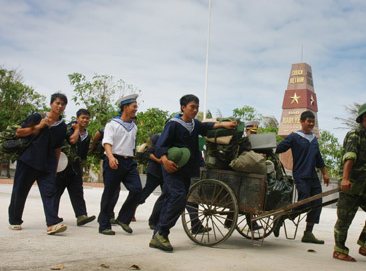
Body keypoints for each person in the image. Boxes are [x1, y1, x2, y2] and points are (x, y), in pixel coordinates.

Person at [149, 94, 237, 252]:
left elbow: (208, 127)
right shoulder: (173, 124)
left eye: (197, 107)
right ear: (183, 107)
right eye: (192, 107)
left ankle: (158, 234)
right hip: (172, 168)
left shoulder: (194, 124)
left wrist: (227, 125)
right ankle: (161, 233)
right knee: (178, 197)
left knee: (177, 200)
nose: (195, 110)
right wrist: (165, 160)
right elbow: (161, 145)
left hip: (186, 169)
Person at [8, 92, 69, 234]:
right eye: (57, 103)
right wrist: (38, 127)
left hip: (48, 164)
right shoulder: (37, 117)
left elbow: (58, 148)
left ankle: (52, 223)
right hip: (29, 160)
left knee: (50, 192)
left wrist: (55, 168)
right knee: (20, 191)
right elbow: (19, 132)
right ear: (51, 104)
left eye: (63, 104)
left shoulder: (62, 127)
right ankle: (15, 220)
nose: (60, 106)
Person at [333, 102, 366, 262]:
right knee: (345, 218)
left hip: (362, 183)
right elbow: (350, 156)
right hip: (350, 183)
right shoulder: (355, 134)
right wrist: (345, 179)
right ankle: (339, 250)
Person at [273, 111, 330, 244]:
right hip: (301, 175)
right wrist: (267, 151)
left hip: (313, 177)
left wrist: (325, 173)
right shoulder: (294, 137)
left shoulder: (313, 139)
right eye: (308, 121)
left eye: (312, 121)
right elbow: (280, 148)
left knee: (317, 204)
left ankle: (308, 233)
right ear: (302, 121)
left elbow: (318, 158)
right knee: (304, 203)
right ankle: (282, 217)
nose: (311, 124)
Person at [97, 94, 142, 235]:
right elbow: (107, 142)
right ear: (125, 107)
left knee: (137, 190)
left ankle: (123, 219)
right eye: (134, 106)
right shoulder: (112, 124)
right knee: (110, 193)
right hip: (114, 160)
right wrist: (110, 158)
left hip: (129, 162)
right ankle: (104, 224)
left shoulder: (133, 127)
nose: (136, 109)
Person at [54, 108, 96, 226]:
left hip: (76, 168)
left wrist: (81, 167)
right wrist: (77, 129)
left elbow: (83, 154)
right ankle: (53, 216)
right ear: (77, 118)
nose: (85, 120)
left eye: (87, 118)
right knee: (56, 192)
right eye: (82, 118)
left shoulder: (87, 135)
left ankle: (81, 215)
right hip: (63, 166)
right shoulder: (67, 129)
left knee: (77, 192)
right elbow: (72, 141)